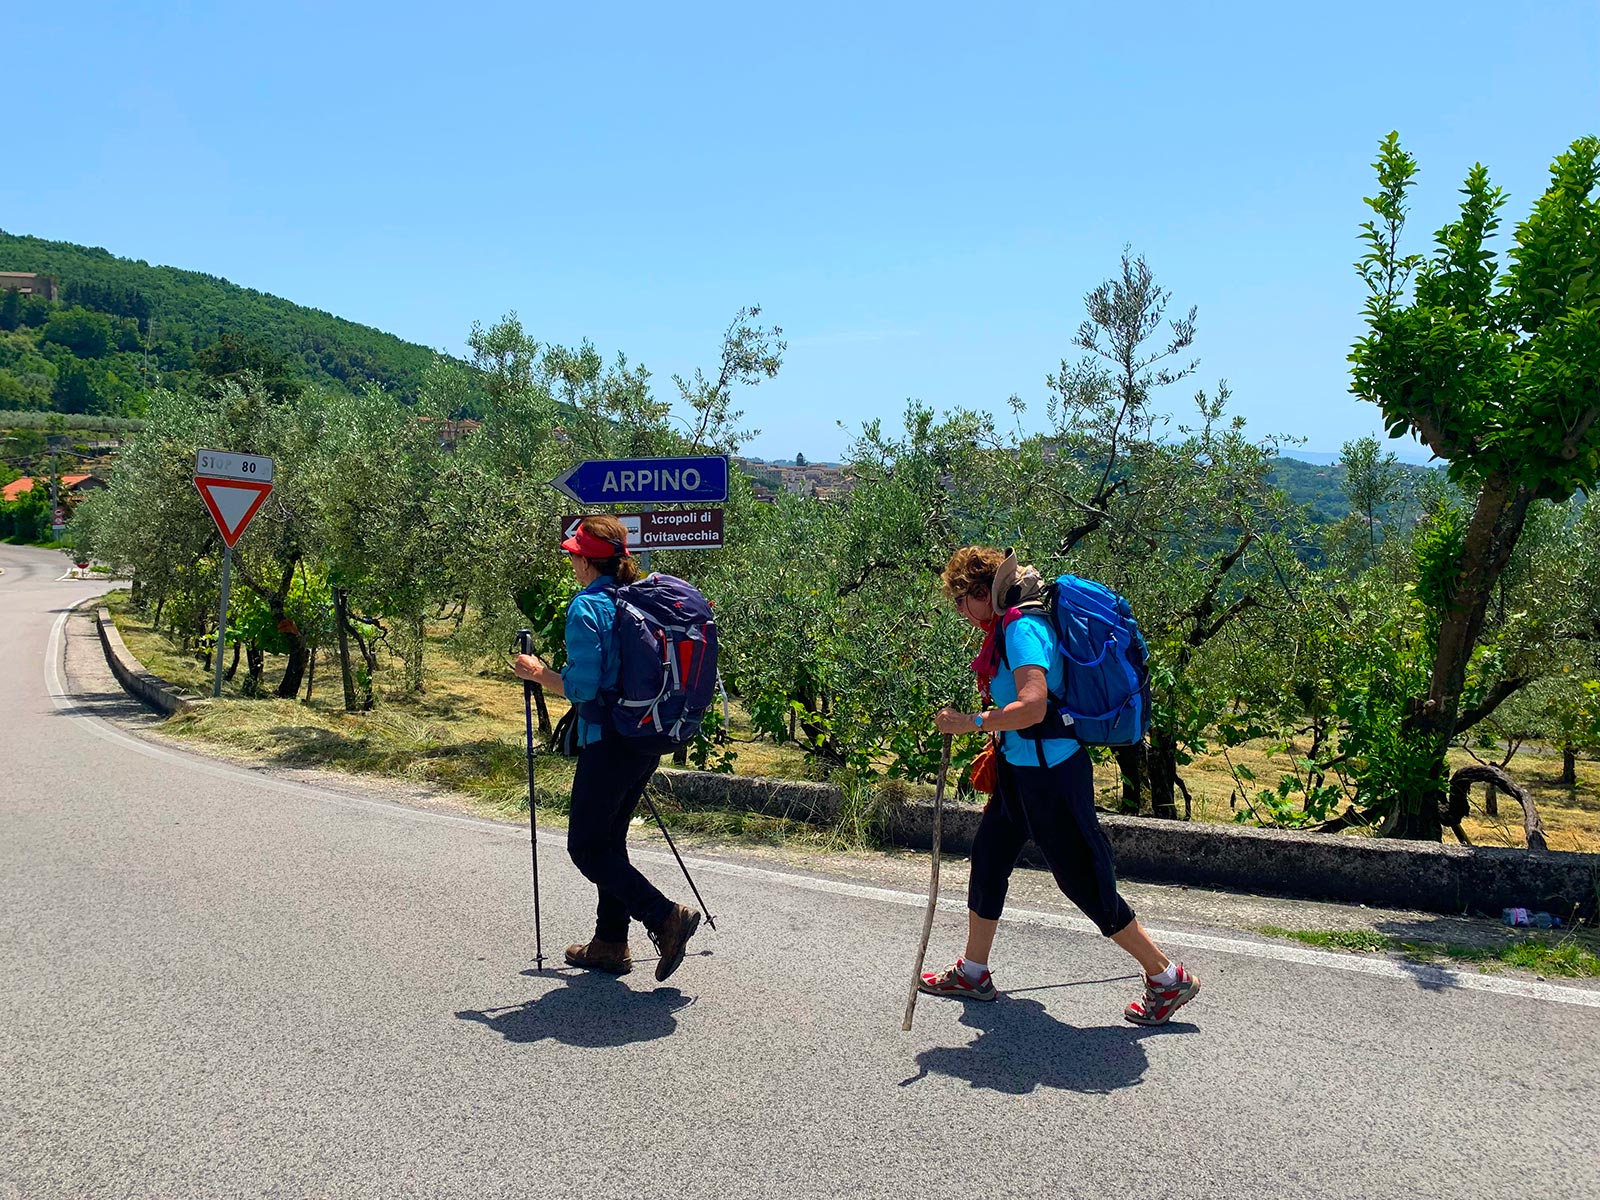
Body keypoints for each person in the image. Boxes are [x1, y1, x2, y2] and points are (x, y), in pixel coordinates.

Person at [920, 545, 1200, 1025]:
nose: (960, 612)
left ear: (983, 592)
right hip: (1020, 769)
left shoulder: (1022, 628)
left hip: (1049, 776)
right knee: (989, 860)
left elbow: (1033, 707)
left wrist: (970, 722)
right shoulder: (1006, 626)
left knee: (1084, 883)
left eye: (962, 601)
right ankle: (973, 971)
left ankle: (1166, 977)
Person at [510, 514, 701, 982]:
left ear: (586, 561)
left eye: (574, 555)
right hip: (647, 734)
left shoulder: (586, 607)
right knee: (610, 841)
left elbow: (583, 686)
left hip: (609, 739)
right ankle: (610, 944)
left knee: (586, 847)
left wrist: (537, 673)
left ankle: (663, 916)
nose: (571, 562)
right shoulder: (635, 598)